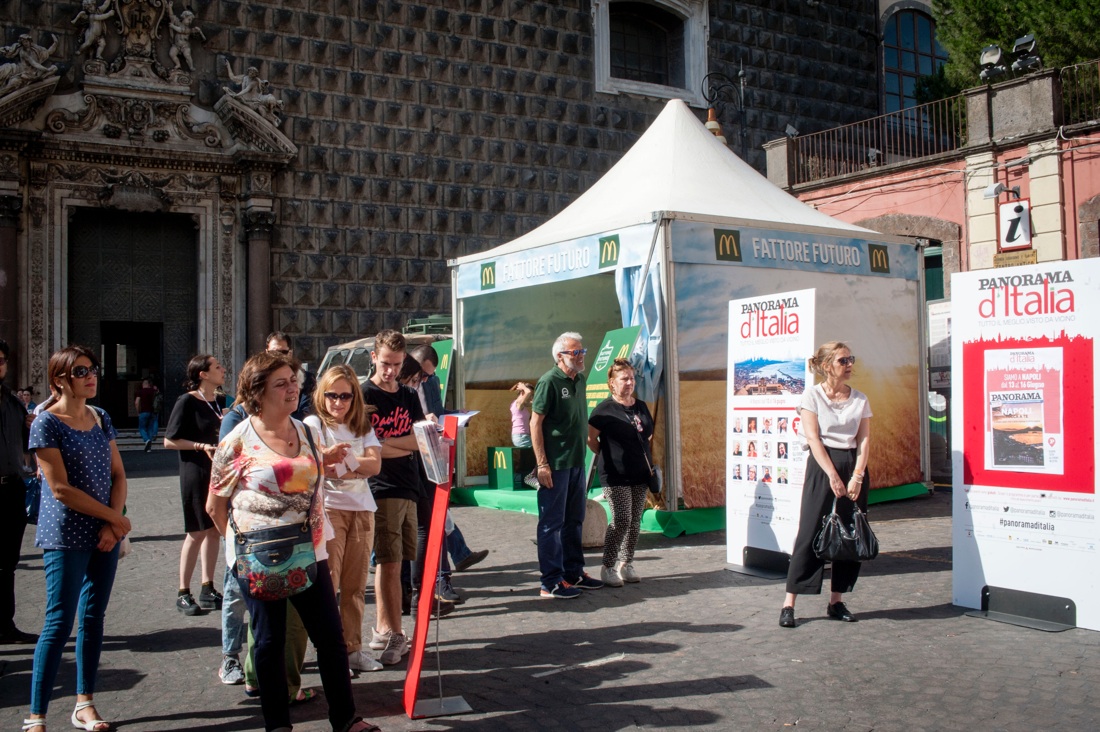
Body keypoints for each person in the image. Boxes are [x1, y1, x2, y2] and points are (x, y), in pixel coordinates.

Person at [206, 351, 379, 732]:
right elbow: (215, 504)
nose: (292, 388)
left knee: (331, 640)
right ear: (257, 391)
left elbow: (317, 477)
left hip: (311, 550)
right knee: (269, 643)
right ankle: (277, 725)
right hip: (260, 557)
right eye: (281, 383)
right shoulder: (237, 440)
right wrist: (240, 556)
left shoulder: (307, 431)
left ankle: (346, 720)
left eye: (293, 380)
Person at [24, 345, 130, 732]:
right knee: (58, 622)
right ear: (59, 380)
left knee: (92, 618)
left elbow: (118, 474)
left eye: (93, 369)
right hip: (66, 532)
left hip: (105, 532)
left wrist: (113, 524)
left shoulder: (101, 417)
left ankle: (84, 703)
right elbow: (60, 489)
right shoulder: (45, 423)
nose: (91, 376)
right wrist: (114, 519)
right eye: (81, 370)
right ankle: (36, 714)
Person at [780, 342, 871, 629]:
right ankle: (789, 603)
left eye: (851, 359)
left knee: (848, 533)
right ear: (826, 365)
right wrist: (832, 474)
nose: (849, 365)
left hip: (853, 467)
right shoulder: (812, 396)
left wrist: (857, 475)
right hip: (822, 467)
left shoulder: (860, 400)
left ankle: (836, 601)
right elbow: (813, 438)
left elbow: (865, 440)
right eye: (843, 360)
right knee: (809, 532)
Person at [303, 365, 385, 673]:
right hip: (331, 509)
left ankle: (353, 648)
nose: (338, 402)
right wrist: (353, 465)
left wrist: (345, 463)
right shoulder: (313, 423)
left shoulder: (361, 425)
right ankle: (332, 652)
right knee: (331, 584)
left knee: (355, 585)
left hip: (362, 509)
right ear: (321, 394)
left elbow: (375, 466)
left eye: (346, 396)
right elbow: (320, 464)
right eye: (332, 395)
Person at [362, 330, 425, 664]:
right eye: (386, 363)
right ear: (374, 357)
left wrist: (393, 445)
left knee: (400, 561)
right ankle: (389, 632)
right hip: (380, 487)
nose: (391, 371)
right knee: (387, 562)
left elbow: (421, 441)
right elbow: (373, 449)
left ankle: (390, 631)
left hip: (408, 486)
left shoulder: (408, 394)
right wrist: (403, 443)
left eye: (397, 365)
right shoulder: (364, 395)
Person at [531, 332, 603, 598]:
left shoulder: (580, 379)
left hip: (576, 463)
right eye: (575, 352)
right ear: (560, 356)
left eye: (582, 350)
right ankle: (550, 582)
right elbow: (535, 423)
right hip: (556, 465)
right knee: (552, 523)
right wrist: (542, 464)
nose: (581, 355)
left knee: (575, 520)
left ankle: (573, 573)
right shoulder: (549, 382)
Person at [407, 345, 488, 574]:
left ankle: (459, 554)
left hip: (432, 447)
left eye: (429, 375)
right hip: (414, 454)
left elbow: (436, 410)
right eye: (421, 375)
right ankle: (457, 556)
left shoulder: (431, 380)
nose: (424, 379)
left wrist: (455, 415)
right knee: (432, 511)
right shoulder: (403, 384)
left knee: (438, 508)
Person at [163, 355, 226, 617]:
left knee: (213, 531)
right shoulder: (187, 401)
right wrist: (200, 446)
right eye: (218, 367)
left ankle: (207, 587)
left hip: (218, 470)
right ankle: (183, 592)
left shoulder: (222, 401)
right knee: (196, 531)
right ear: (203, 374)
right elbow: (169, 440)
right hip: (195, 470)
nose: (223, 370)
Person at [587, 358, 654, 587]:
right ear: (612, 383)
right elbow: (590, 438)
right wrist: (609, 453)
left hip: (640, 473)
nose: (629, 382)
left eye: (632, 378)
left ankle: (627, 564)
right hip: (615, 475)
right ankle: (608, 567)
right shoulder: (604, 409)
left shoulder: (641, 406)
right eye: (624, 379)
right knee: (622, 520)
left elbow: (648, 435)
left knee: (635, 521)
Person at [0, 340, 38, 646]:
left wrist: (31, 426)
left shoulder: (13, 403)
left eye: (1, 360)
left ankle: (5, 625)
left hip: (12, 486)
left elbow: (25, 445)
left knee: (8, 562)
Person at [266, 331, 316, 421]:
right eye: (273, 353)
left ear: (290, 353)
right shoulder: (259, 378)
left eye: (282, 352)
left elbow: (306, 410)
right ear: (266, 352)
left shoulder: (306, 379)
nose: (278, 357)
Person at [134, 378, 158, 452]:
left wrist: (138, 412)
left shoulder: (140, 392)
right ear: (149, 384)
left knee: (142, 428)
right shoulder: (153, 391)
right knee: (150, 428)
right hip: (153, 412)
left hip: (144, 412)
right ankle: (149, 448)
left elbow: (137, 402)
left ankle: (146, 440)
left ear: (143, 384)